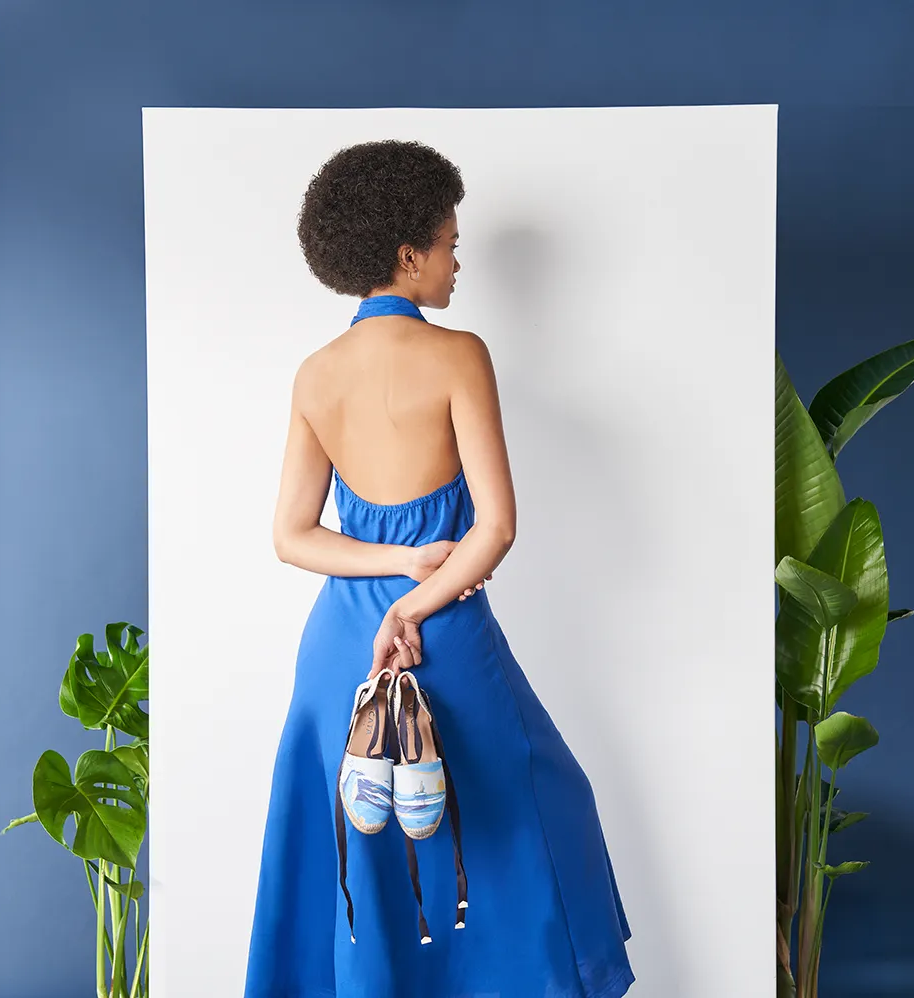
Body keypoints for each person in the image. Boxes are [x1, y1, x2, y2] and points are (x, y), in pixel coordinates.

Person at [243, 139, 634, 998]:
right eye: (450, 244)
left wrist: (388, 577)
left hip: (340, 651)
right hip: (443, 635)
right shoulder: (460, 355)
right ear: (407, 254)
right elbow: (496, 528)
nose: (457, 263)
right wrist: (415, 597)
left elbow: (293, 537)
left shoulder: (316, 376)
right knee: (527, 811)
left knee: (365, 849)